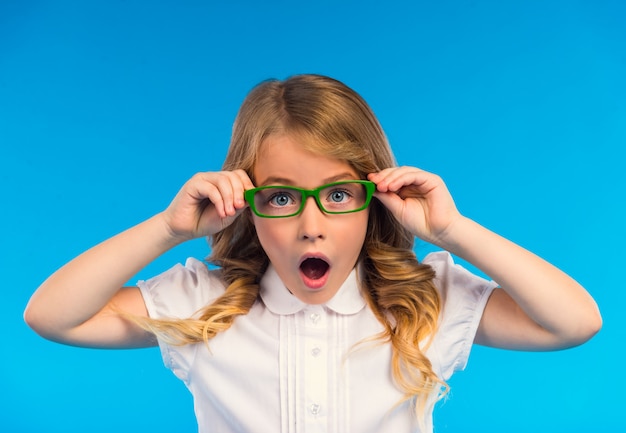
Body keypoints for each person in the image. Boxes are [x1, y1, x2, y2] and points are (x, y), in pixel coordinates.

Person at [24, 74, 601, 433]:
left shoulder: (427, 299)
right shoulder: (203, 301)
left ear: (375, 199)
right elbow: (51, 316)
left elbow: (575, 322)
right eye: (280, 197)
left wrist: (452, 231)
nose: (311, 226)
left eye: (338, 195)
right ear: (245, 202)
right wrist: (168, 229)